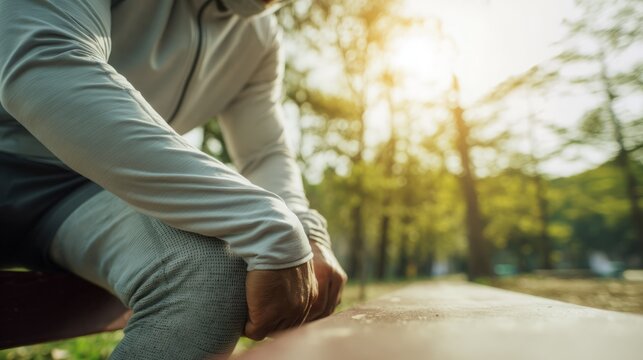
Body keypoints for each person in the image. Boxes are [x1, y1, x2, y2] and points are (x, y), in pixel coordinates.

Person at [0, 0, 347, 358]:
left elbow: (264, 153)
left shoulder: (258, 38)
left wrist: (305, 229)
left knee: (208, 278)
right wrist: (263, 222)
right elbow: (45, 66)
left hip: (83, 197)